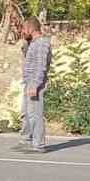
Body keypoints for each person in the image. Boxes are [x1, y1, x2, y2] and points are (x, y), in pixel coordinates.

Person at [15, 16, 52, 154]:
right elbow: (27, 57)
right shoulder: (33, 43)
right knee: (26, 114)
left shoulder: (42, 43)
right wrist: (25, 42)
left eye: (24, 28)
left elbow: (41, 65)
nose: (22, 31)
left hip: (35, 83)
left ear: (31, 28)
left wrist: (35, 84)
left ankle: (39, 145)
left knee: (35, 114)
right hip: (28, 82)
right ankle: (26, 140)